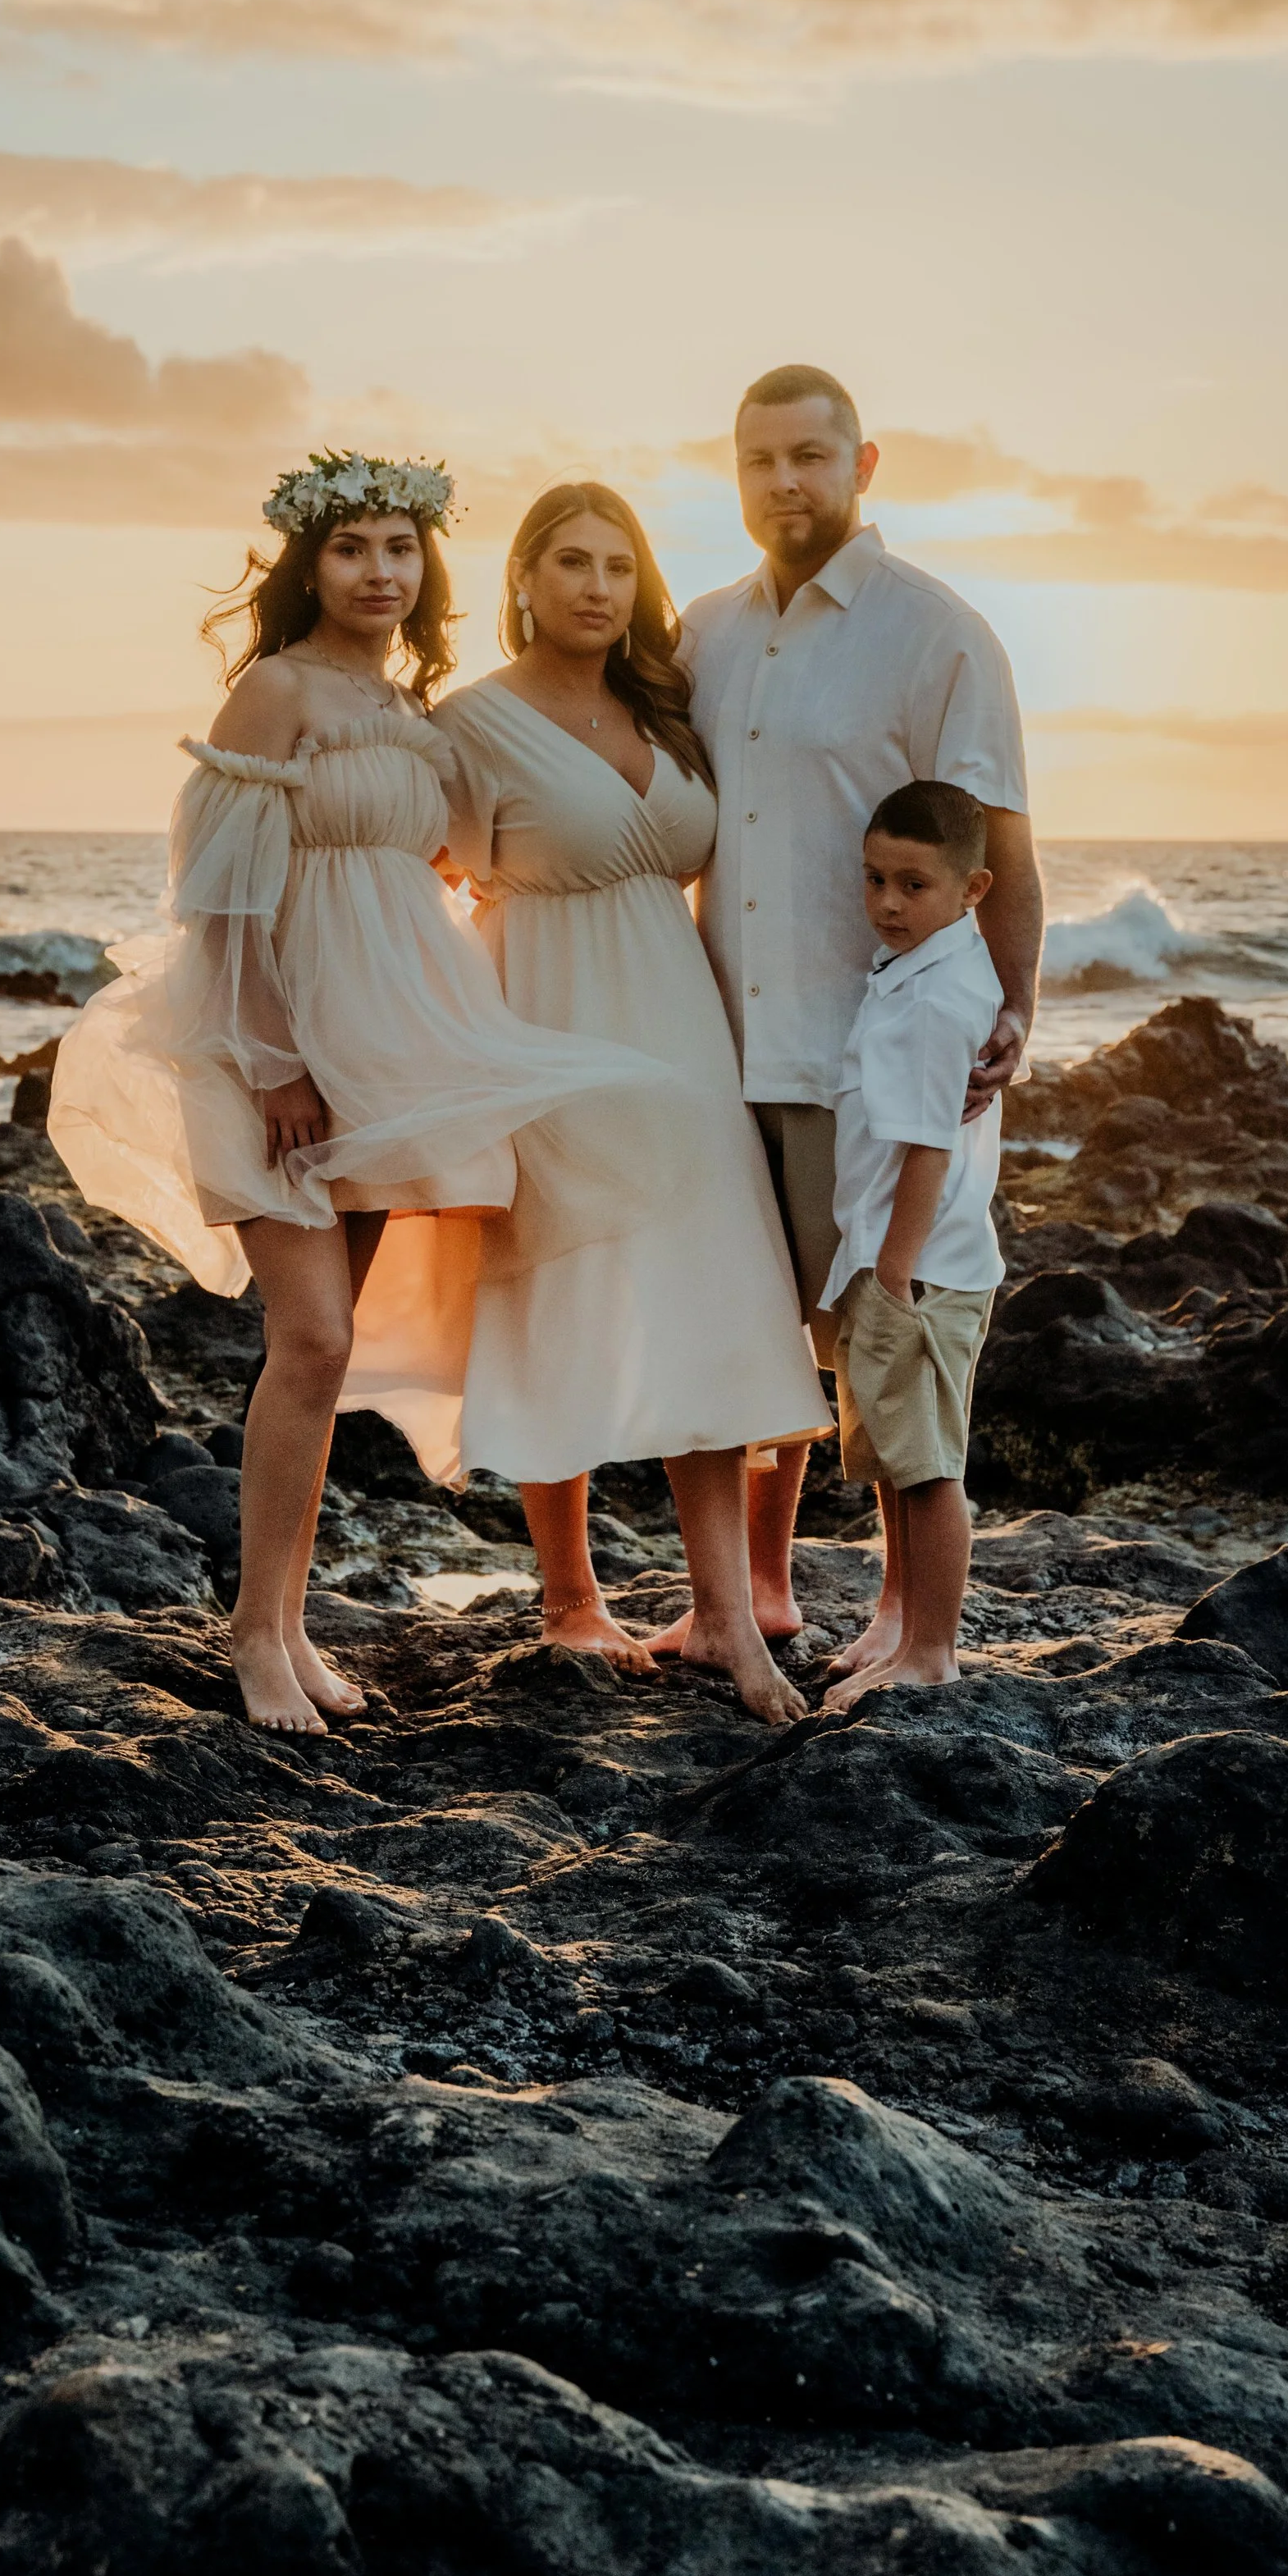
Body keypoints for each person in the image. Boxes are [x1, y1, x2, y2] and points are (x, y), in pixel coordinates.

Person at [48, 451, 667, 1738]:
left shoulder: (407, 708)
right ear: (308, 564)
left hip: (394, 1050)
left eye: (401, 548)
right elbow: (216, 893)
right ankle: (253, 1641)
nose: (381, 571)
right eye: (353, 549)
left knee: (321, 1363)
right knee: (315, 1335)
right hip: (278, 1046)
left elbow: (447, 862)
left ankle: (287, 1623)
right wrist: (272, 1054)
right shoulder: (272, 694)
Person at [435, 486, 830, 1728]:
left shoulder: (665, 704)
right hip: (548, 1028)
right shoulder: (469, 725)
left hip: (684, 1031)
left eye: (618, 564)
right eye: (571, 562)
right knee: (557, 1286)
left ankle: (724, 1618)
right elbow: (408, 886)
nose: (596, 586)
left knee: (710, 1298)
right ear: (526, 577)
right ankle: (569, 1599)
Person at [681, 362, 1043, 1651]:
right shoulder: (703, 630)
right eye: (760, 460)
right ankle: (761, 1594)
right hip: (722, 1043)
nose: (786, 482)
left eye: (811, 457)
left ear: (864, 466)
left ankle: (904, 1612)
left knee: (875, 1335)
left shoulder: (935, 634)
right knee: (750, 1332)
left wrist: (1018, 1006)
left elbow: (1002, 838)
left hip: (865, 1052)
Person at [818, 779, 1005, 1710]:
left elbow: (931, 1144)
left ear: (972, 890)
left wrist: (891, 1271)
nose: (887, 903)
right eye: (874, 880)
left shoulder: (939, 997)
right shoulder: (917, 971)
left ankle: (931, 1650)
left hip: (918, 1267)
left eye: (913, 885)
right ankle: (911, 1638)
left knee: (929, 1467)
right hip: (890, 1255)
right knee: (898, 1458)